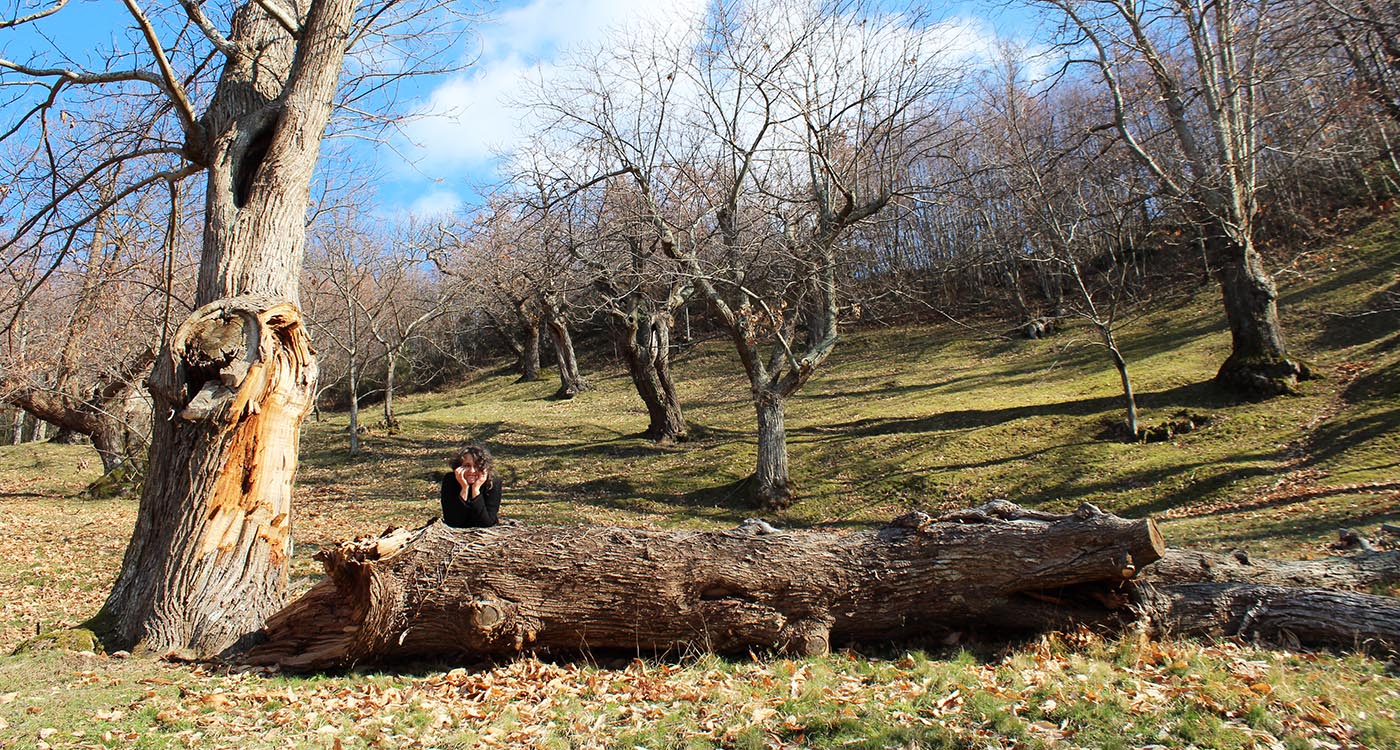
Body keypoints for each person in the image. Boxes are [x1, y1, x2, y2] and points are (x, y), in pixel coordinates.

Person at [439, 443, 501, 528]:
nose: (472, 471)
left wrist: (476, 490)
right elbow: (452, 522)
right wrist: (464, 488)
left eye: (477, 466)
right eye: (467, 466)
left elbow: (486, 523)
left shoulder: (493, 482)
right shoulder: (450, 481)